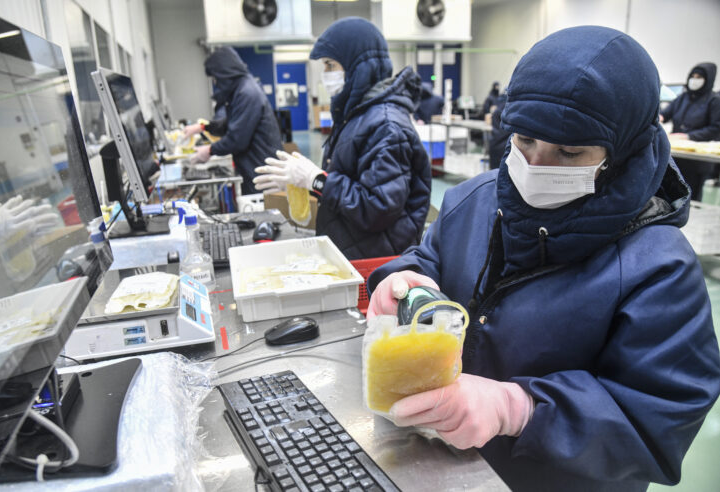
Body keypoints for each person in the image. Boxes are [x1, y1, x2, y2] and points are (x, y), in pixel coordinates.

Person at [366, 26, 720, 492]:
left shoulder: (658, 268)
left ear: (622, 152)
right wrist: (406, 280)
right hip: (447, 462)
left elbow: (660, 418)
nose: (535, 165)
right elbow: (430, 257)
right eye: (524, 141)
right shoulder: (473, 200)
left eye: (569, 152)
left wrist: (519, 408)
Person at [252, 17, 431, 260]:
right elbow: (349, 189)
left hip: (378, 267)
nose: (325, 74)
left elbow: (377, 209)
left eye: (330, 65)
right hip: (354, 250)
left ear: (359, 67)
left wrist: (315, 179)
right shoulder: (358, 116)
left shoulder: (386, 126)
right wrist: (305, 184)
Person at [189, 47, 282, 195]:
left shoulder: (247, 93)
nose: (215, 82)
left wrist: (210, 150)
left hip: (261, 170)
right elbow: (231, 123)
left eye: (215, 77)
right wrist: (205, 127)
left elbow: (237, 138)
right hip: (255, 166)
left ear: (224, 73)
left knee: (262, 212)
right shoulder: (241, 89)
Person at [660, 62, 720, 201]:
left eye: (699, 76)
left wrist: (688, 136)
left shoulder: (714, 101)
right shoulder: (683, 98)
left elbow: (716, 128)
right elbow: (665, 114)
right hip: (677, 158)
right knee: (671, 195)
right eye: (692, 76)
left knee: (690, 198)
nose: (694, 79)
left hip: (698, 161)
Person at [487, 91, 509, 170]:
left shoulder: (498, 109)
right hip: (504, 144)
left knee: (495, 172)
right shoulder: (509, 110)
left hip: (495, 142)